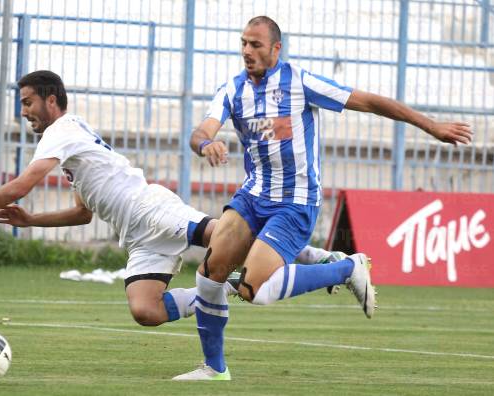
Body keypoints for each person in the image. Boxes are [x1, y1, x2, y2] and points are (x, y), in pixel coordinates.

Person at [173, 16, 473, 380]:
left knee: (254, 290)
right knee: (209, 275)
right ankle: (214, 369)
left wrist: (432, 127)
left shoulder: (300, 82)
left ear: (276, 49)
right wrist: (207, 143)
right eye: (243, 44)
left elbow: (370, 102)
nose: (247, 52)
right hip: (252, 196)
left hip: (295, 202)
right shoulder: (233, 90)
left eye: (255, 45)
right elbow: (200, 131)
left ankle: (347, 268)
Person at [0, 70, 344, 328]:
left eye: (28, 102)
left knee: (226, 238)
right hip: (137, 234)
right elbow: (84, 214)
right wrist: (31, 222)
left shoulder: (60, 132)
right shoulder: (70, 139)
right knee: (146, 310)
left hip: (149, 208)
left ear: (51, 101)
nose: (25, 111)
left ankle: (317, 258)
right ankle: (231, 288)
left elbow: (19, 185)